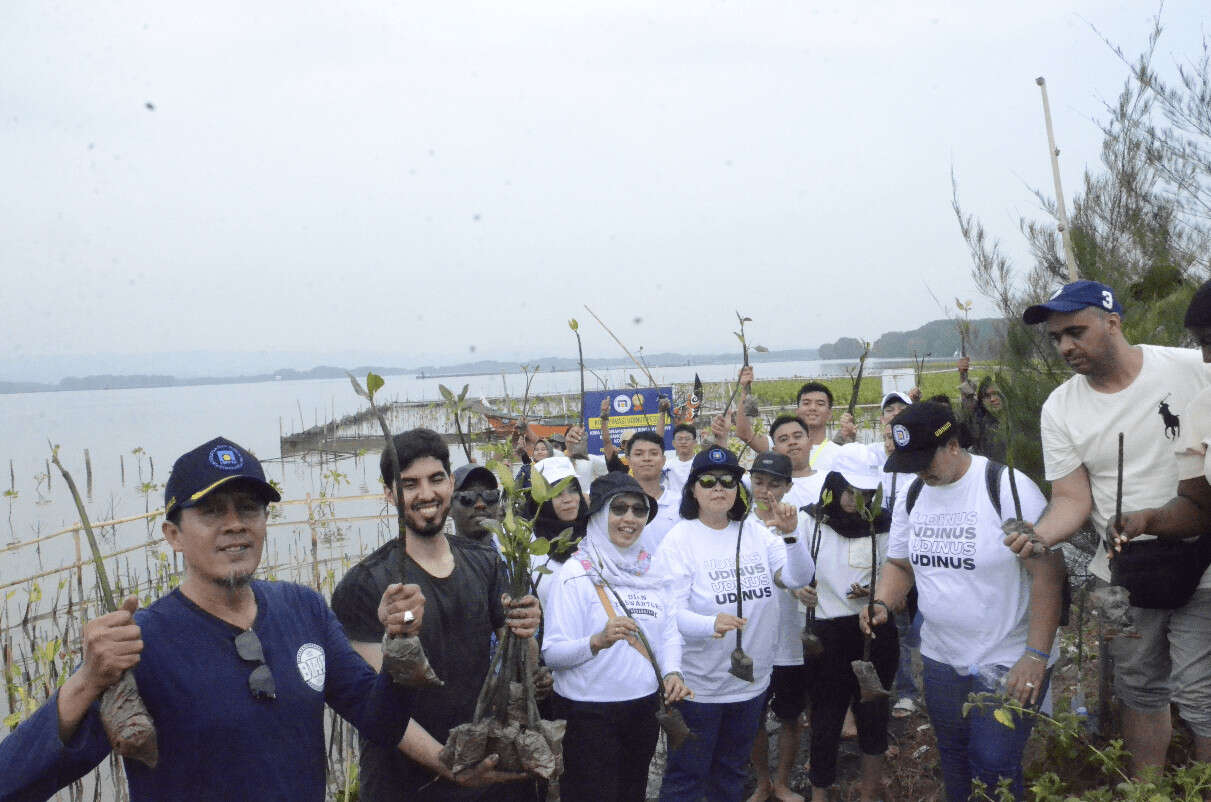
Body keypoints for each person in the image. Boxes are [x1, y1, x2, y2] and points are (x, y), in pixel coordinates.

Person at [0, 436, 424, 802]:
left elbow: (382, 724)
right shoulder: (138, 643)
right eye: (211, 511)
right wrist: (85, 681)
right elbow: (12, 782)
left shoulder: (305, 609)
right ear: (174, 535)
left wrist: (400, 642)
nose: (235, 524)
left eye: (249, 508)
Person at [1003, 279, 1211, 774]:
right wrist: (1041, 535)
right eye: (1057, 339)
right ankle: (1147, 789)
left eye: (1075, 331)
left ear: (1112, 321)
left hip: (1203, 552)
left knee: (1201, 690)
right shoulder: (1061, 407)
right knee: (1140, 689)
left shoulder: (1188, 368)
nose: (1066, 347)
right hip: (1126, 568)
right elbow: (1072, 498)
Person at [863, 403, 1064, 802]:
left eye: (925, 460)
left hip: (1007, 655)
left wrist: (1036, 656)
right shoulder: (914, 493)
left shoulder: (1006, 487)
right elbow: (900, 564)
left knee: (993, 761)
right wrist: (883, 602)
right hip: (941, 657)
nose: (919, 471)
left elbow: (1048, 575)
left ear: (953, 445)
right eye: (910, 463)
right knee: (953, 756)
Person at [331, 428, 543, 802]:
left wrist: (526, 633)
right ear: (388, 493)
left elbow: (519, 665)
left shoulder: (485, 561)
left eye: (435, 479)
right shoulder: (364, 584)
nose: (425, 494)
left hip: (482, 769)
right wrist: (450, 765)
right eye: (408, 483)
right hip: (404, 783)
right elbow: (370, 702)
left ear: (449, 484)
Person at [654, 447, 815, 802]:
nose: (718, 488)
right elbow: (668, 615)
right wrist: (708, 623)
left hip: (749, 685)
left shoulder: (756, 533)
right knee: (687, 777)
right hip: (699, 688)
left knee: (730, 775)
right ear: (692, 489)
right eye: (707, 480)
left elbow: (798, 576)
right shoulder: (678, 540)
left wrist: (791, 537)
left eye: (728, 481)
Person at [1109, 279, 1211, 767]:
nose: (1207, 360)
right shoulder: (1202, 411)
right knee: (1196, 696)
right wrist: (1148, 518)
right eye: (1201, 344)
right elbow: (1196, 507)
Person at [542, 472, 692, 801]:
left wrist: (673, 672)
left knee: (632, 792)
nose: (630, 518)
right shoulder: (575, 573)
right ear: (597, 516)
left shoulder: (652, 570)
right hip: (588, 715)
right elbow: (552, 653)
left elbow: (668, 631)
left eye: (639, 510)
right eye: (619, 508)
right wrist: (596, 641)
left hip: (642, 709)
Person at [799, 443, 896, 802]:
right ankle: (820, 791)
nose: (857, 499)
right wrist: (798, 589)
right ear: (834, 484)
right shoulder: (811, 522)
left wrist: (877, 597)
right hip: (828, 632)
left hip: (874, 627)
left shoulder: (885, 524)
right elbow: (790, 570)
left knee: (873, 713)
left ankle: (870, 789)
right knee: (826, 717)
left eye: (866, 492)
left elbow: (897, 572)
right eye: (850, 490)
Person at [745, 451, 822, 802]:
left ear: (789, 486)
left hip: (791, 638)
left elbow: (811, 571)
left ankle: (782, 781)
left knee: (790, 715)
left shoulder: (803, 522)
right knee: (753, 717)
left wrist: (807, 589)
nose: (766, 491)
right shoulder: (740, 523)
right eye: (759, 482)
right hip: (751, 638)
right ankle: (761, 781)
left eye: (774, 484)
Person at [735, 367, 843, 471]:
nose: (812, 408)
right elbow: (744, 433)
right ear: (797, 411)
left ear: (830, 414)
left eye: (820, 404)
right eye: (806, 403)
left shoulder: (839, 454)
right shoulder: (780, 446)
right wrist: (745, 389)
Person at [528, 456, 589, 611]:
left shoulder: (595, 534)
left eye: (573, 490)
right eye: (557, 493)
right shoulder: (527, 543)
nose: (568, 499)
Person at [622, 429, 681, 550]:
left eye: (654, 453)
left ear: (663, 460)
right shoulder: (617, 503)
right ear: (628, 460)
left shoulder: (680, 503)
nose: (646, 459)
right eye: (639, 454)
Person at [449, 464, 503, 543]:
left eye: (490, 495)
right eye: (468, 496)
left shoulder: (516, 552)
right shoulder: (441, 555)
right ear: (449, 508)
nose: (480, 504)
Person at [666, 422, 699, 494]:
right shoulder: (667, 465)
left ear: (695, 443)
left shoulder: (701, 463)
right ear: (673, 443)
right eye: (679, 439)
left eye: (687, 439)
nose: (683, 442)